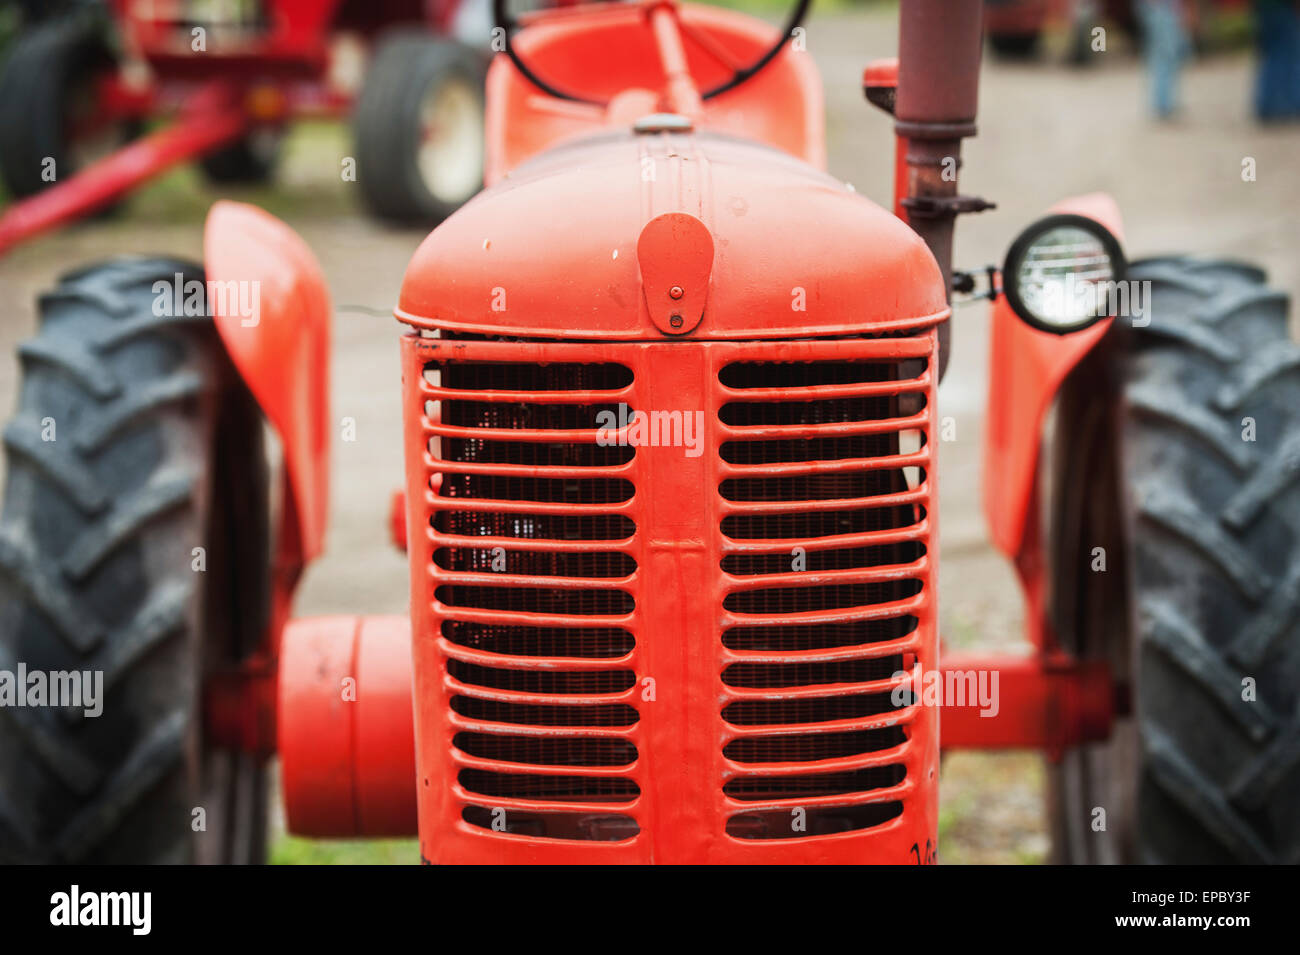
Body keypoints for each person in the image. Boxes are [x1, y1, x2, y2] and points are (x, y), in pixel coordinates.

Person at [1136, 0, 1191, 119]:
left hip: (1167, 8)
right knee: (1165, 56)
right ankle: (1163, 105)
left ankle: (1165, 103)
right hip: (1162, 7)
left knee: (1168, 56)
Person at [1255, 0, 1300, 121]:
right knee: (1287, 55)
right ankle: (1288, 104)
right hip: (1284, 8)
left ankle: (1268, 105)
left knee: (1272, 56)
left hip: (1264, 7)